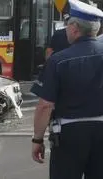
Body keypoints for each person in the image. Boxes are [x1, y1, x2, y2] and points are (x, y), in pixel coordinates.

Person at [30, 0, 103, 178]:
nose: (66, 29)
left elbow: (45, 106)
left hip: (69, 135)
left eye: (68, 25)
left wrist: (37, 139)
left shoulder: (58, 60)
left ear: (75, 28)